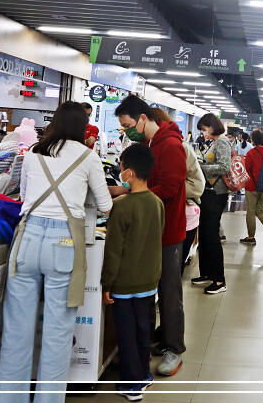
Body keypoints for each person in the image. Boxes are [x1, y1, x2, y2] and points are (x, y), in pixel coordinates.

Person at [0, 101, 113, 403]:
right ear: (81, 128)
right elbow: (106, 205)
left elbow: (23, 195)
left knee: (16, 330)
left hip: (28, 238)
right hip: (64, 243)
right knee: (58, 334)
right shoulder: (89, 157)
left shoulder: (34, 153)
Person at [111, 95, 187, 377]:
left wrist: (134, 199)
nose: (126, 130)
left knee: (169, 291)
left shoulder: (171, 145)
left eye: (128, 124)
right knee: (144, 291)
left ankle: (174, 349)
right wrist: (124, 190)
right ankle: (145, 345)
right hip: (147, 228)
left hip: (168, 230)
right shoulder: (148, 144)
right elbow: (146, 183)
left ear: (143, 118)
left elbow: (170, 187)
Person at [102, 144, 164, 401]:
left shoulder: (122, 207)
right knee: (142, 330)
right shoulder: (157, 203)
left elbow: (114, 252)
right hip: (149, 281)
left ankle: (131, 384)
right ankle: (144, 374)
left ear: (128, 173)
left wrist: (107, 284)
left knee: (125, 334)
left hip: (125, 285)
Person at [149, 108, 205, 275]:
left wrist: (172, 188)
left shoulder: (177, 147)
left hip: (183, 212)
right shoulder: (154, 145)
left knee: (172, 271)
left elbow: (196, 185)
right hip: (166, 212)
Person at [193, 113, 231, 294]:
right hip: (209, 192)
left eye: (204, 129)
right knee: (205, 235)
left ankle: (219, 280)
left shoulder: (222, 142)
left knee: (211, 236)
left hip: (217, 193)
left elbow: (224, 167)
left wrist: (201, 167)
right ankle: (207, 273)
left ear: (212, 127)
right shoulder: (215, 143)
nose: (203, 133)